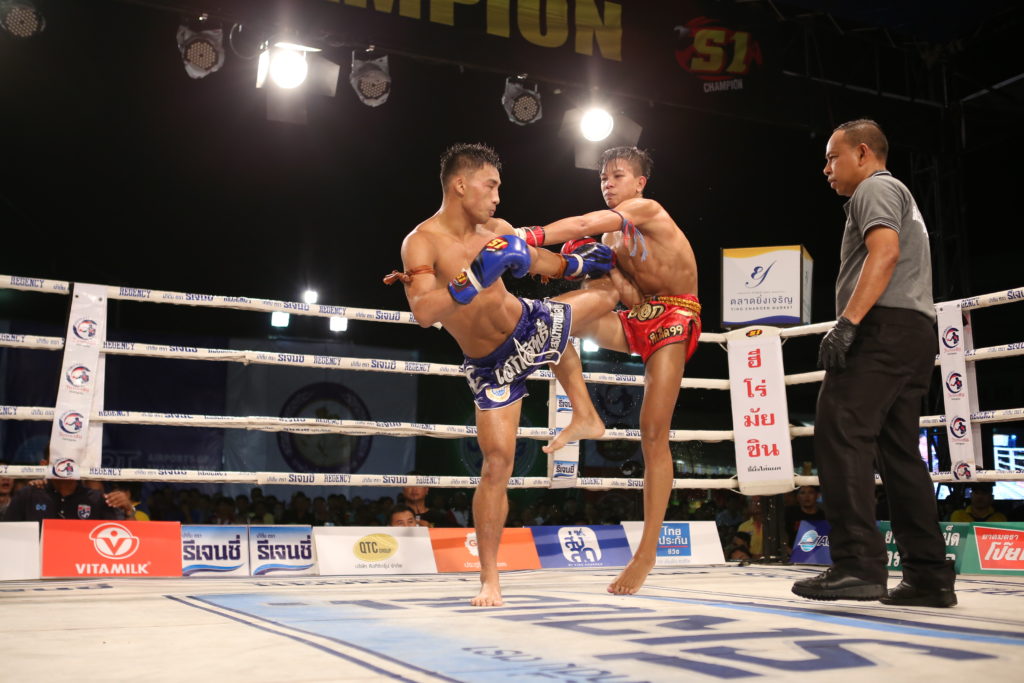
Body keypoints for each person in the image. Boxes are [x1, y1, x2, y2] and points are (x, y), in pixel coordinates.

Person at [387, 143, 621, 606]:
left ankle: (586, 413)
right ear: (460, 185)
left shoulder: (498, 230)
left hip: (527, 323)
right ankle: (489, 578)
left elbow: (544, 263)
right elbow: (424, 312)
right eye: (490, 186)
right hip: (492, 365)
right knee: (497, 464)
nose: (497, 197)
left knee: (603, 293)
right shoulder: (421, 241)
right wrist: (475, 275)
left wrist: (576, 264)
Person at [517, 146, 701, 595]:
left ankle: (646, 553)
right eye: (603, 177)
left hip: (676, 315)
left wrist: (528, 235)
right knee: (554, 319)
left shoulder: (647, 210)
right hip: (638, 318)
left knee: (652, 432)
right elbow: (619, 295)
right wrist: (559, 265)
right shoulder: (609, 240)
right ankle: (585, 413)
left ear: (639, 183)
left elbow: (582, 223)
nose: (608, 183)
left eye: (617, 176)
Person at [791, 119, 956, 607]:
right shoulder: (898, 194)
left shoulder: (875, 188)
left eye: (832, 157)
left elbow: (883, 254)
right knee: (899, 452)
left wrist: (848, 322)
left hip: (882, 329)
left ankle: (858, 566)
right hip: (913, 332)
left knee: (839, 430)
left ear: (863, 153)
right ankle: (928, 576)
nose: (826, 169)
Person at [2, 468, 133, 522]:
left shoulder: (97, 499)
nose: (67, 466)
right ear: (45, 464)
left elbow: (128, 541)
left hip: (82, 569)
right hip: (33, 568)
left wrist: (129, 510)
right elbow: (7, 537)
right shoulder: (28, 494)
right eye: (60, 459)